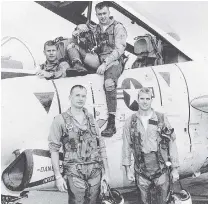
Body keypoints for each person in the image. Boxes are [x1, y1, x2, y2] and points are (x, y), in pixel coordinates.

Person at [67, 1, 127, 137]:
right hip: (98, 59)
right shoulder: (96, 28)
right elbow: (80, 34)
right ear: (96, 15)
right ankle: (78, 66)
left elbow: (120, 49)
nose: (102, 17)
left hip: (114, 61)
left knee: (109, 83)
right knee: (71, 46)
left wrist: (105, 64)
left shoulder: (118, 28)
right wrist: (78, 29)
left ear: (109, 13)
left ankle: (111, 123)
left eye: (104, 13)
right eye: (99, 14)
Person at [48, 85, 110, 204]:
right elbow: (54, 150)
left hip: (95, 171)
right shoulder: (60, 120)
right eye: (77, 95)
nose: (80, 98)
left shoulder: (91, 119)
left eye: (83, 96)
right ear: (70, 97)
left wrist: (106, 173)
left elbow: (101, 146)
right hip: (74, 172)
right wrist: (57, 176)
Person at [122, 87, 179, 204]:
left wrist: (175, 169)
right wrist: (128, 170)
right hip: (141, 170)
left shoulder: (161, 118)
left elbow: (171, 144)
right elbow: (126, 146)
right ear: (137, 100)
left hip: (161, 169)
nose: (145, 101)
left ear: (151, 100)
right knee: (143, 201)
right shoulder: (131, 121)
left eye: (148, 98)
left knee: (163, 201)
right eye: (142, 98)